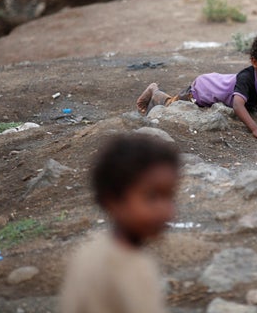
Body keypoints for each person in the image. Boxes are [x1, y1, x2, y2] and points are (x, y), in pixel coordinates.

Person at [60, 133, 180, 313]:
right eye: (151, 197)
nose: (166, 210)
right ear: (113, 201)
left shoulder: (103, 253)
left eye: (169, 196)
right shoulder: (116, 270)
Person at [136, 29, 257, 142]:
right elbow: (238, 105)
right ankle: (154, 90)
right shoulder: (246, 78)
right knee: (170, 104)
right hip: (202, 90)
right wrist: (255, 129)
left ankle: (155, 91)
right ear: (255, 62)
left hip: (219, 81)